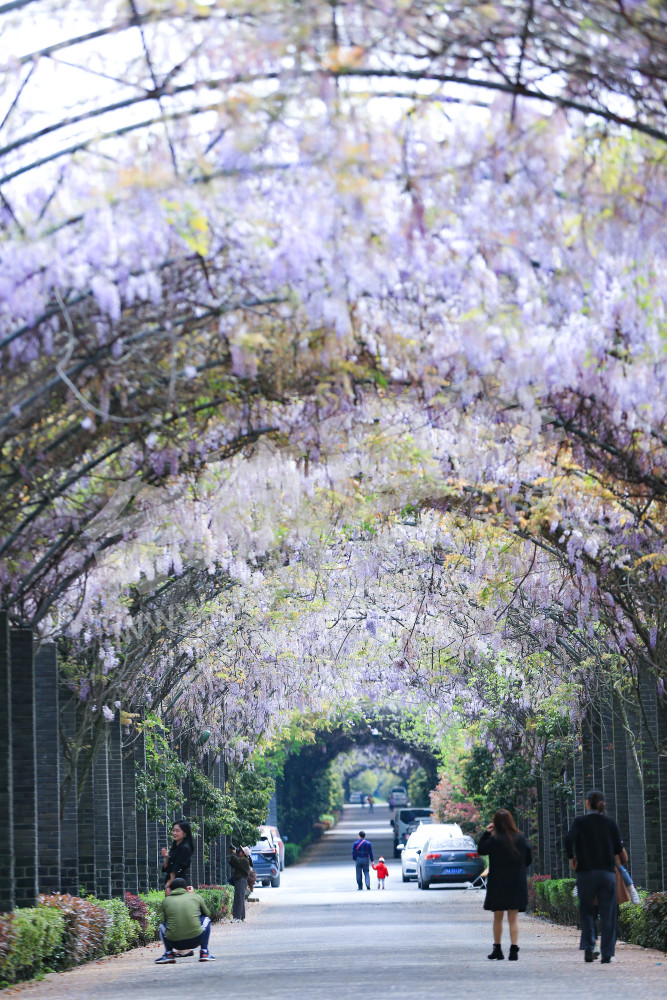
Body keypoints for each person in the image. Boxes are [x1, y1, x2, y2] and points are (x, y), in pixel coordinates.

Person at [565, 789, 626, 964]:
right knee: (608, 915)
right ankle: (607, 954)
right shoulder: (610, 823)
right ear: (602, 804)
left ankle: (589, 947)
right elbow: (618, 849)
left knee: (587, 912)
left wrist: (572, 857)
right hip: (607, 874)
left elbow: (568, 840)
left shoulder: (580, 822)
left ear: (587, 803)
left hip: (586, 874)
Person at [478, 809, 532, 961]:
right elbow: (528, 859)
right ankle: (514, 950)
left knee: (498, 917)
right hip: (516, 883)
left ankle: (498, 949)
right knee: (513, 918)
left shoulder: (494, 840)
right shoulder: (521, 839)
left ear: (495, 824)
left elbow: (481, 850)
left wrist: (486, 833)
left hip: (498, 884)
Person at [155, 878, 214, 964]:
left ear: (170, 890)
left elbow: (165, 919)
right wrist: (193, 895)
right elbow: (208, 913)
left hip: (175, 943)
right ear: (186, 888)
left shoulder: (165, 901)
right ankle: (204, 952)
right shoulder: (195, 897)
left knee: (163, 925)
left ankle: (169, 954)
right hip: (196, 940)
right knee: (206, 919)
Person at [161, 820, 194, 893]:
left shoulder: (185, 848)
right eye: (173, 831)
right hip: (171, 881)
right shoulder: (175, 847)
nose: (174, 833)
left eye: (177, 831)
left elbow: (177, 868)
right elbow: (167, 868)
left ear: (185, 833)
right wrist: (166, 858)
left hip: (178, 883)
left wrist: (169, 884)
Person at [229, 844, 252, 921]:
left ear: (243, 853)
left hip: (241, 880)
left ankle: (237, 917)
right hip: (241, 880)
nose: (239, 852)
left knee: (238, 899)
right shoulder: (243, 860)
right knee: (240, 898)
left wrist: (233, 853)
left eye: (241, 851)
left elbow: (235, 860)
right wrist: (234, 854)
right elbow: (232, 862)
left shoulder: (244, 860)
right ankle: (241, 917)